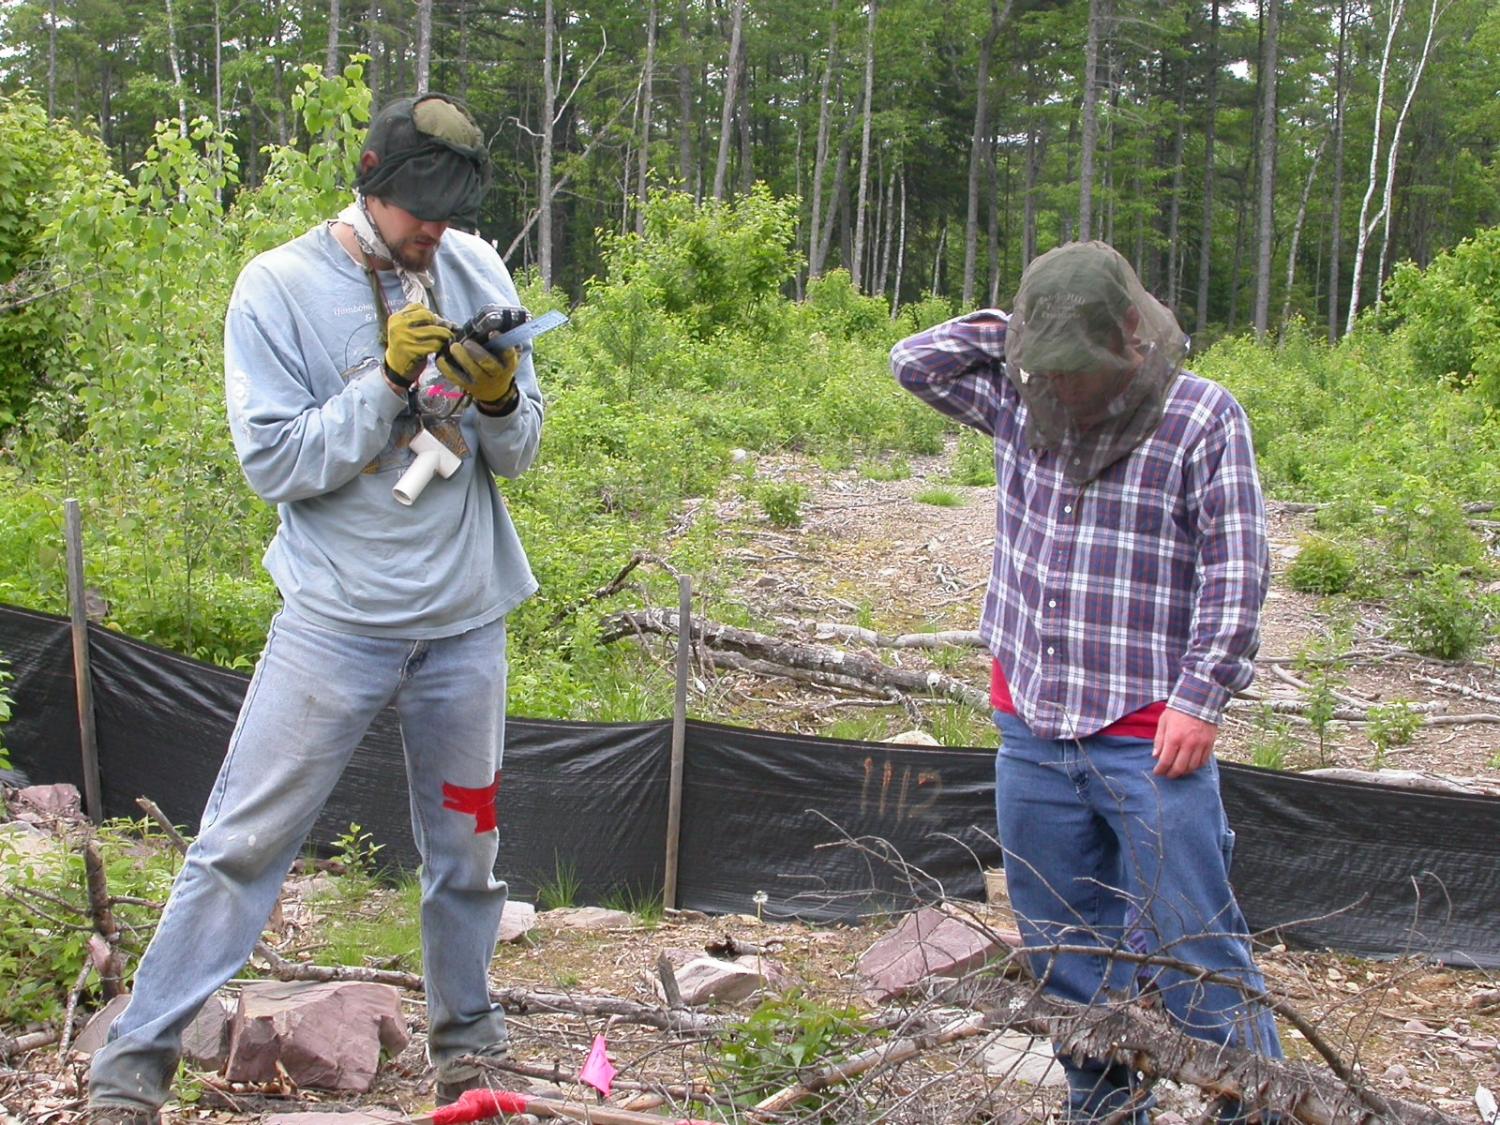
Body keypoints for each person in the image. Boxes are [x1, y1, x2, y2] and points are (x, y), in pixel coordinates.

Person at [87, 93, 543, 1124]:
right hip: (336, 621)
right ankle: (133, 1066)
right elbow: (276, 463)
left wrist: (503, 395)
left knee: (467, 852)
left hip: (466, 619)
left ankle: (468, 1048)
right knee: (243, 845)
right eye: (417, 208)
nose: (433, 229)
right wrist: (385, 383)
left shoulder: (476, 267)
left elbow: (521, 451)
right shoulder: (280, 287)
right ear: (372, 181)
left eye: (447, 209)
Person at [891, 241, 1282, 1123]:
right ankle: (1103, 1111)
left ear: (1134, 338)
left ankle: (1262, 1109)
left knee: (1197, 946)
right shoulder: (1014, 394)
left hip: (1152, 729)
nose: (1066, 387)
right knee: (1068, 951)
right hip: (1030, 722)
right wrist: (1030, 327)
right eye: (1050, 368)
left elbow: (1237, 566)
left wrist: (1201, 695)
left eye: (1083, 364)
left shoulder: (1202, 416)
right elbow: (912, 359)